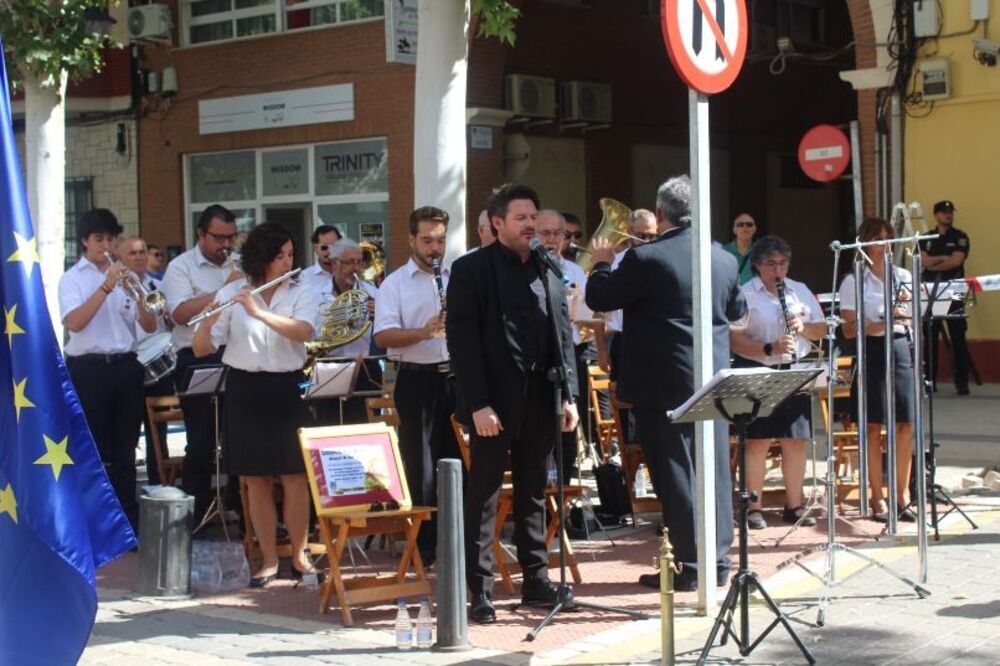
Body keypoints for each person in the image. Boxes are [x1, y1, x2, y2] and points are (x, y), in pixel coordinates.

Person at [586, 175, 746, 592]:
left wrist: (603, 262)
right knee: (713, 472)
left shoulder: (646, 258)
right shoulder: (724, 259)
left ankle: (688, 566)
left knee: (675, 474)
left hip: (662, 383)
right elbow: (737, 310)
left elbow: (600, 299)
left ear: (659, 215)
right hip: (713, 378)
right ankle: (719, 562)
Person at [448, 184, 580, 624]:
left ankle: (536, 580)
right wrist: (478, 404)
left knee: (533, 493)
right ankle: (479, 589)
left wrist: (569, 397)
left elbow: (563, 336)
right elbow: (463, 344)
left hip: (542, 399)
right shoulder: (471, 270)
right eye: (521, 218)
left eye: (533, 217)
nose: (530, 225)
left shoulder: (548, 267)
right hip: (492, 405)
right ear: (497, 223)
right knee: (484, 494)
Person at [192, 223, 320, 587]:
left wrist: (259, 312)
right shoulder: (235, 291)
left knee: (295, 476)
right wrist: (210, 318)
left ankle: (299, 555)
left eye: (291, 255)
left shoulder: (302, 289)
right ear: (261, 257)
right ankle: (266, 560)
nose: (287, 261)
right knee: (255, 478)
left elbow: (303, 331)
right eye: (280, 255)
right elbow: (203, 348)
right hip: (245, 387)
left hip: (285, 386)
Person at [58, 210, 158, 527]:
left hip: (126, 365)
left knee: (127, 448)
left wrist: (138, 295)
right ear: (85, 241)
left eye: (110, 239)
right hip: (90, 369)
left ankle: (128, 521)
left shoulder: (124, 275)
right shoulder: (73, 279)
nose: (105, 245)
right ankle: (96, 523)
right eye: (99, 239)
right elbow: (74, 323)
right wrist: (105, 288)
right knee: (95, 448)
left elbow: (149, 323)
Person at [373, 206, 457, 566]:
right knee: (421, 464)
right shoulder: (394, 284)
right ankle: (425, 546)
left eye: (440, 240)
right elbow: (383, 336)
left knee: (458, 457)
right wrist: (424, 331)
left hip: (455, 377)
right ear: (411, 239)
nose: (434, 249)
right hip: (416, 377)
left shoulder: (457, 276)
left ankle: (459, 538)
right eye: (427, 241)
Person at [729, 236, 825, 529]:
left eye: (783, 263)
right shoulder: (745, 294)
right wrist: (769, 348)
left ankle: (794, 505)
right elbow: (735, 340)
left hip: (793, 370)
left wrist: (803, 327)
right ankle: (753, 507)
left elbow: (821, 329)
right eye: (771, 264)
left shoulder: (800, 291)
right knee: (757, 441)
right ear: (758, 265)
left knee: (795, 440)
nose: (778, 270)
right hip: (758, 368)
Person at [162, 204, 243, 520]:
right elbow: (180, 314)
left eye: (231, 237)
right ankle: (194, 516)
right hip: (196, 358)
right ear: (201, 234)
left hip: (235, 355)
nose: (225, 245)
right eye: (218, 237)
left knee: (237, 436)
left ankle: (241, 509)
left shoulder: (238, 266)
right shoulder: (181, 267)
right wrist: (225, 289)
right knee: (201, 439)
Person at [839, 217, 916, 522]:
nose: (882, 245)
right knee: (872, 425)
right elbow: (848, 330)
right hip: (871, 348)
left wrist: (907, 312)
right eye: (876, 239)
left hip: (900, 347)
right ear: (864, 244)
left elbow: (913, 318)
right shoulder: (853, 280)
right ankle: (876, 496)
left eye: (887, 239)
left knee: (906, 423)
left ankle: (903, 494)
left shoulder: (904, 276)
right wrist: (884, 319)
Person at [535, 209, 591, 479]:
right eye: (545, 233)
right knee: (541, 433)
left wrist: (581, 312)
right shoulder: (528, 268)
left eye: (560, 234)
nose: (553, 239)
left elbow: (590, 317)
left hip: (572, 356)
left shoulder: (574, 271)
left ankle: (565, 500)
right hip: (540, 359)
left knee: (567, 431)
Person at [118, 236, 174, 486]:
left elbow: (166, 325)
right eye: (133, 253)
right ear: (121, 257)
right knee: (128, 433)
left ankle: (159, 483)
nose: (139, 257)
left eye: (142, 252)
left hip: (159, 364)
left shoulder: (156, 286)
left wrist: (169, 317)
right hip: (131, 363)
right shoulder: (117, 288)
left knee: (158, 432)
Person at [313, 238, 380, 425]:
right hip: (329, 365)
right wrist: (341, 320)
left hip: (364, 367)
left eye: (359, 261)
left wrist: (378, 315)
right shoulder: (315, 294)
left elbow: (383, 331)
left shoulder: (372, 292)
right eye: (350, 262)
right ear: (335, 263)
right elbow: (314, 332)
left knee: (364, 423)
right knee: (328, 423)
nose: (356, 267)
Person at [920, 200, 972, 395]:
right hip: (931, 290)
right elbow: (922, 261)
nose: (948, 215)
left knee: (959, 334)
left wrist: (934, 264)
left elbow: (956, 261)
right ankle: (930, 381)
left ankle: (962, 382)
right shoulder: (926, 238)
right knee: (930, 336)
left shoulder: (960, 236)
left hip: (956, 288)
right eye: (943, 212)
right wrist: (942, 258)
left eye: (950, 212)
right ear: (936, 215)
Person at [301, 224, 342, 298]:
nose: (330, 251)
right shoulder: (304, 278)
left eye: (334, 246)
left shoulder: (349, 274)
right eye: (324, 247)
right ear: (316, 249)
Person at [722, 213, 757, 285]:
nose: (745, 227)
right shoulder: (723, 252)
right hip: (730, 294)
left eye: (749, 224)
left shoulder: (760, 252)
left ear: (754, 229)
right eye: (740, 224)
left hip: (752, 294)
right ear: (734, 230)